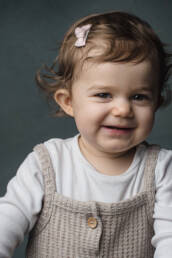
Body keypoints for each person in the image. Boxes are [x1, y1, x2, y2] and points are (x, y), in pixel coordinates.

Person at [0, 11, 172, 258]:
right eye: (104, 94)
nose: (123, 109)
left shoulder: (162, 170)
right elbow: (7, 220)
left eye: (139, 97)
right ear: (68, 101)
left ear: (156, 102)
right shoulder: (47, 163)